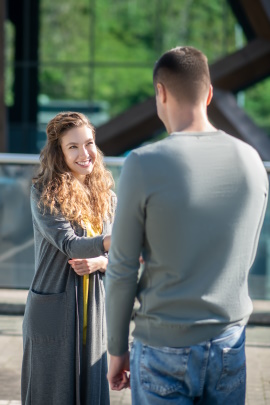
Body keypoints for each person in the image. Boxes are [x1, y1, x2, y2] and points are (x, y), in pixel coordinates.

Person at [105, 46, 269, 404]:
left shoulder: (142, 164)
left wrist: (116, 349)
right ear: (209, 94)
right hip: (230, 344)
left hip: (163, 344)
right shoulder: (252, 161)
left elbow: (121, 268)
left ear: (160, 93)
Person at [21, 112, 116, 405]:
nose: (84, 153)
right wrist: (118, 242)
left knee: (92, 393)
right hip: (53, 310)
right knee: (51, 393)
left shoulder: (107, 196)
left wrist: (101, 262)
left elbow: (119, 257)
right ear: (59, 152)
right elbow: (70, 244)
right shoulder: (44, 193)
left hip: (94, 309)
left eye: (88, 143)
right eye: (73, 146)